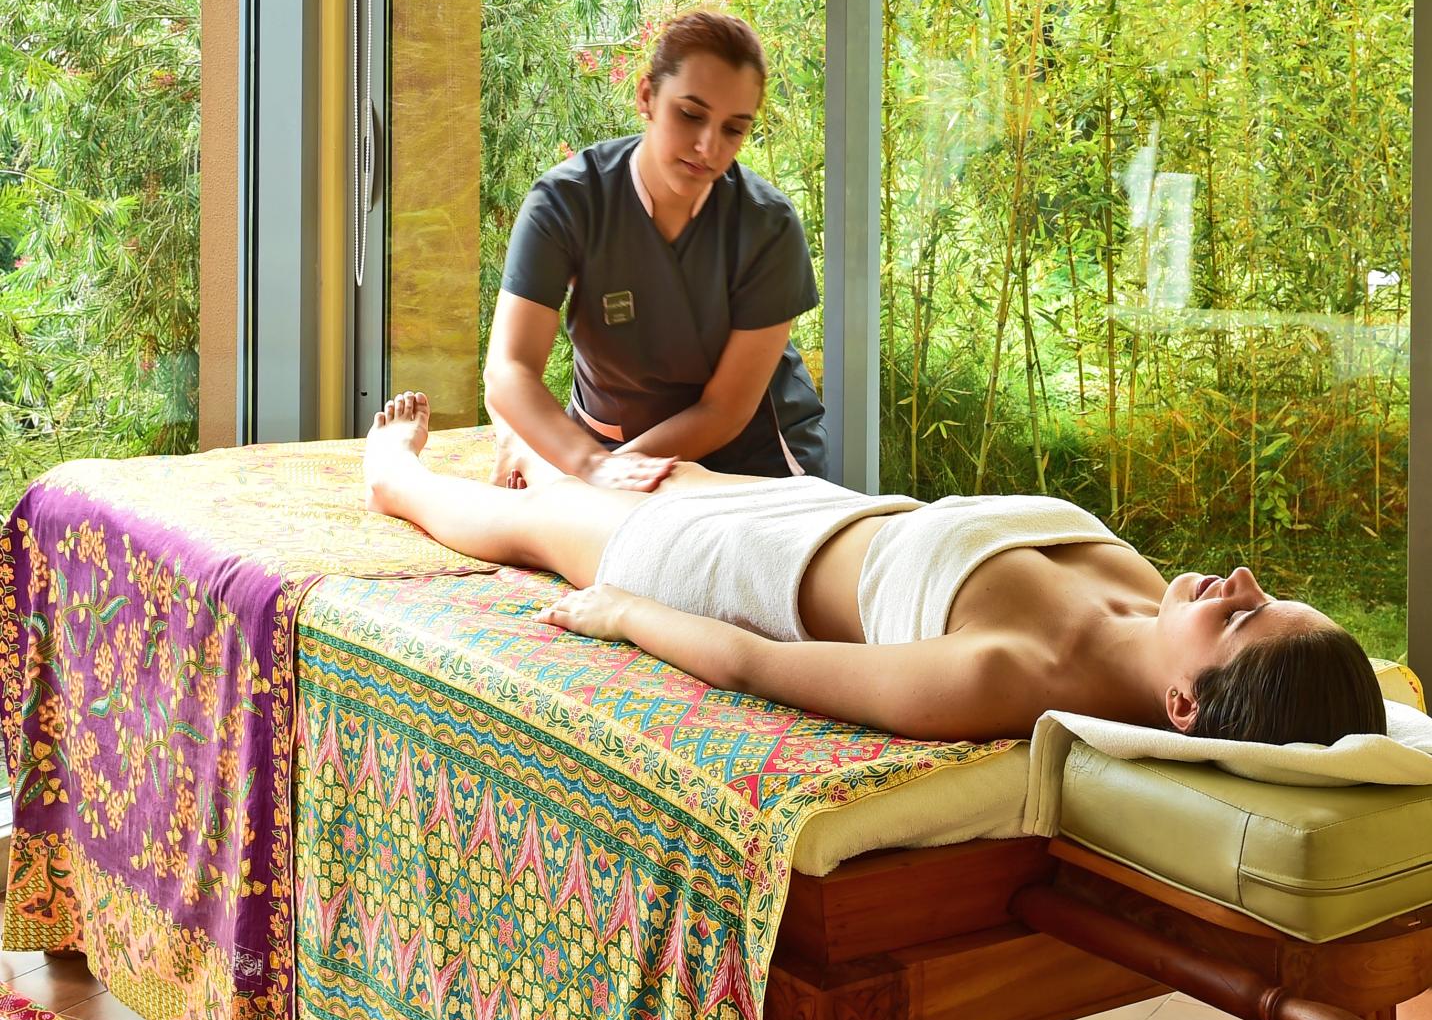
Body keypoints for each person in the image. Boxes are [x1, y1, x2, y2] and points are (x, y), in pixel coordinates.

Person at [364, 393, 1387, 748]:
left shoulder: (1010, 673)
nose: (1240, 580)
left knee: (533, 527)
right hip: (833, 514)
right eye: (1266, 594)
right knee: (650, 470)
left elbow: (759, 668)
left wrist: (625, 612)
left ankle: (394, 475)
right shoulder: (1149, 602)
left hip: (729, 567)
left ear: (1181, 707)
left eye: (1242, 619)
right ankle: (538, 457)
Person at [484, 9, 827, 493]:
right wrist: (589, 463)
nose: (708, 146)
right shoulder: (568, 203)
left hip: (752, 456)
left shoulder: (767, 227)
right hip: (604, 442)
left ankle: (524, 456)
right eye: (691, 114)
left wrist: (598, 480)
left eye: (733, 129)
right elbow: (510, 368)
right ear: (646, 96)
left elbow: (725, 409)